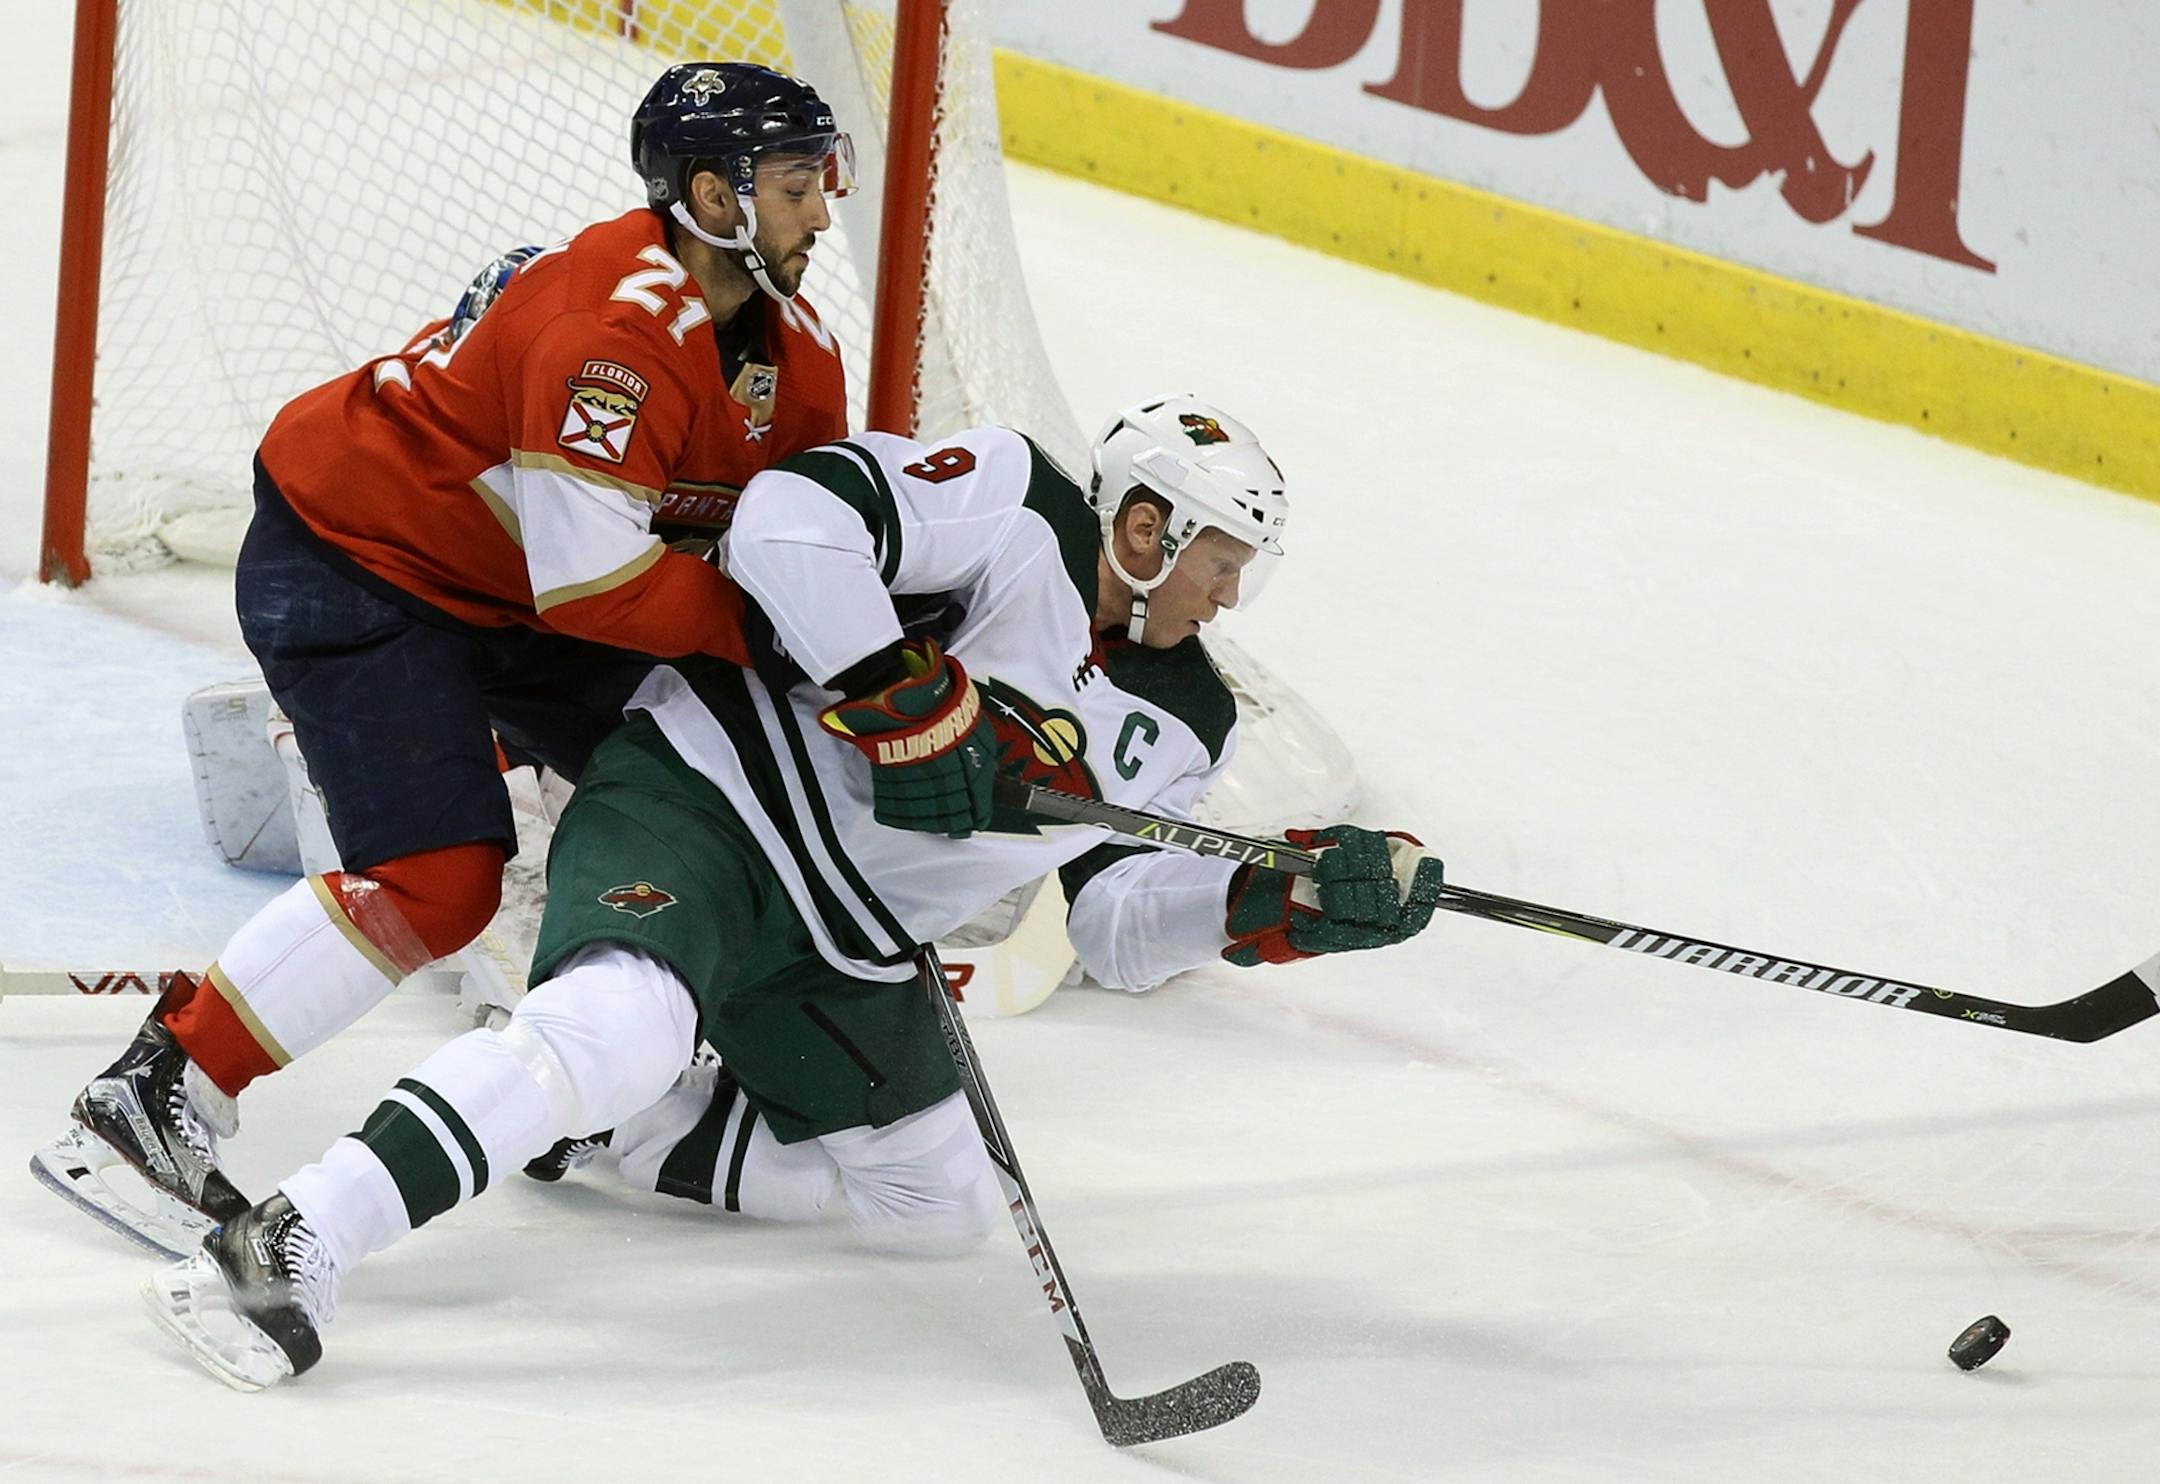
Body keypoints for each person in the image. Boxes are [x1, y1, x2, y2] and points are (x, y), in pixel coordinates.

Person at [137, 397, 1448, 1389]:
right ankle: (285, 1247)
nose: (1232, 594)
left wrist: (1269, 905)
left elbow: (1105, 910)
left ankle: (593, 1127)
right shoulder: (1015, 502)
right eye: (1224, 558)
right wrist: (906, 692)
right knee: (619, 1027)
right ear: (1149, 528)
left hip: (850, 943)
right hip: (715, 797)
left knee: (931, 1204)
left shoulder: (1190, 710)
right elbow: (786, 520)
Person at [33, 62, 859, 1259]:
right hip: (360, 562)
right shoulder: (607, 339)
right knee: (440, 874)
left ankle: (579, 1061)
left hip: (503, 588)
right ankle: (152, 1099)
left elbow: (819, 522)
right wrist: (777, 632)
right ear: (711, 194)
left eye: (818, 183)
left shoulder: (795, 348)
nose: (820, 214)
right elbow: (597, 586)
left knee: (710, 771)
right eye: (793, 187)